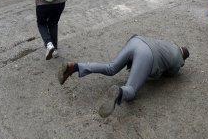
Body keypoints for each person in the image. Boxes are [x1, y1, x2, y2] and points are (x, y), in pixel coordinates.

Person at [58, 35, 190, 118]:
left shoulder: (169, 44)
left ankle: (73, 66)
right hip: (146, 55)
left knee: (111, 68)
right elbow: (170, 73)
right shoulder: (179, 59)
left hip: (136, 41)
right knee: (131, 89)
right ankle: (120, 92)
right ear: (183, 56)